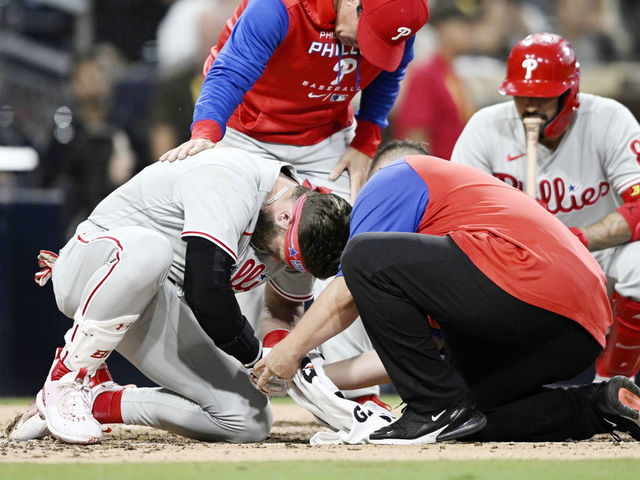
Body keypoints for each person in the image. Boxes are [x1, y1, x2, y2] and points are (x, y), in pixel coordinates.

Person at [255, 140, 640, 443]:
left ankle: (435, 411)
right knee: (464, 418)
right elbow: (414, 359)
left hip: (531, 281)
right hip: (579, 328)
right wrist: (307, 377)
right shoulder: (433, 270)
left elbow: (347, 288)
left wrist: (290, 350)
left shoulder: (385, 184)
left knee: (364, 257)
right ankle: (601, 404)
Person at [159, 0, 430, 400]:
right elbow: (230, 71)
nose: (366, 47)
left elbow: (388, 76)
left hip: (324, 140)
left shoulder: (396, 20)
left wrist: (366, 139)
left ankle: (353, 394)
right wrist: (205, 132)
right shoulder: (278, 8)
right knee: (236, 263)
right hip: (246, 133)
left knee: (351, 257)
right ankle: (233, 389)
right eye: (367, 35)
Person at [10, 145, 351, 444]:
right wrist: (255, 357)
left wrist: (291, 363)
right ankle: (65, 379)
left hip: (158, 298)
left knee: (249, 418)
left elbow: (284, 309)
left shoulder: (301, 233)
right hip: (92, 268)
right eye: (283, 253)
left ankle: (99, 400)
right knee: (150, 250)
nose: (278, 262)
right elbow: (206, 290)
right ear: (286, 214)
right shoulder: (233, 178)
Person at [450, 33, 640, 383]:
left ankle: (612, 386)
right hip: (515, 260)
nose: (530, 106)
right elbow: (456, 214)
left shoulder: (609, 120)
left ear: (570, 94)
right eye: (521, 95)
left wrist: (575, 240)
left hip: (595, 253)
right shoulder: (485, 128)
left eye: (542, 95)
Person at [392, 1, 477, 159]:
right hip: (439, 174)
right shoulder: (425, 74)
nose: (469, 32)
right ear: (442, 28)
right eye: (462, 25)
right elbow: (415, 134)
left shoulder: (454, 74)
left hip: (458, 170)